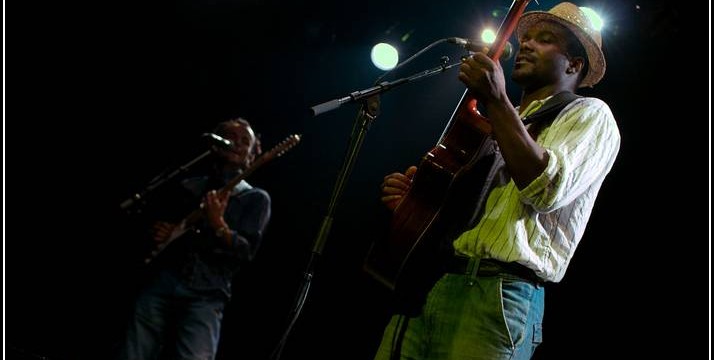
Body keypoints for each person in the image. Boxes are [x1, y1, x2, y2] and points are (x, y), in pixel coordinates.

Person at [372, 2, 620, 359]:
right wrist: (421, 207)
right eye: (527, 38)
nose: (527, 45)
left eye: (545, 40)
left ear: (573, 64)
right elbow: (472, 211)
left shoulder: (590, 115)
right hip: (435, 281)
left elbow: (545, 188)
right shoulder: (502, 121)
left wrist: (496, 98)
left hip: (499, 294)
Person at [117, 118, 272, 360]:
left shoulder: (254, 198)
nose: (236, 144)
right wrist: (160, 231)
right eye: (230, 137)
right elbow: (159, 230)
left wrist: (219, 224)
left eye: (245, 142)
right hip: (163, 279)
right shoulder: (189, 185)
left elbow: (246, 251)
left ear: (252, 154)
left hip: (207, 293)